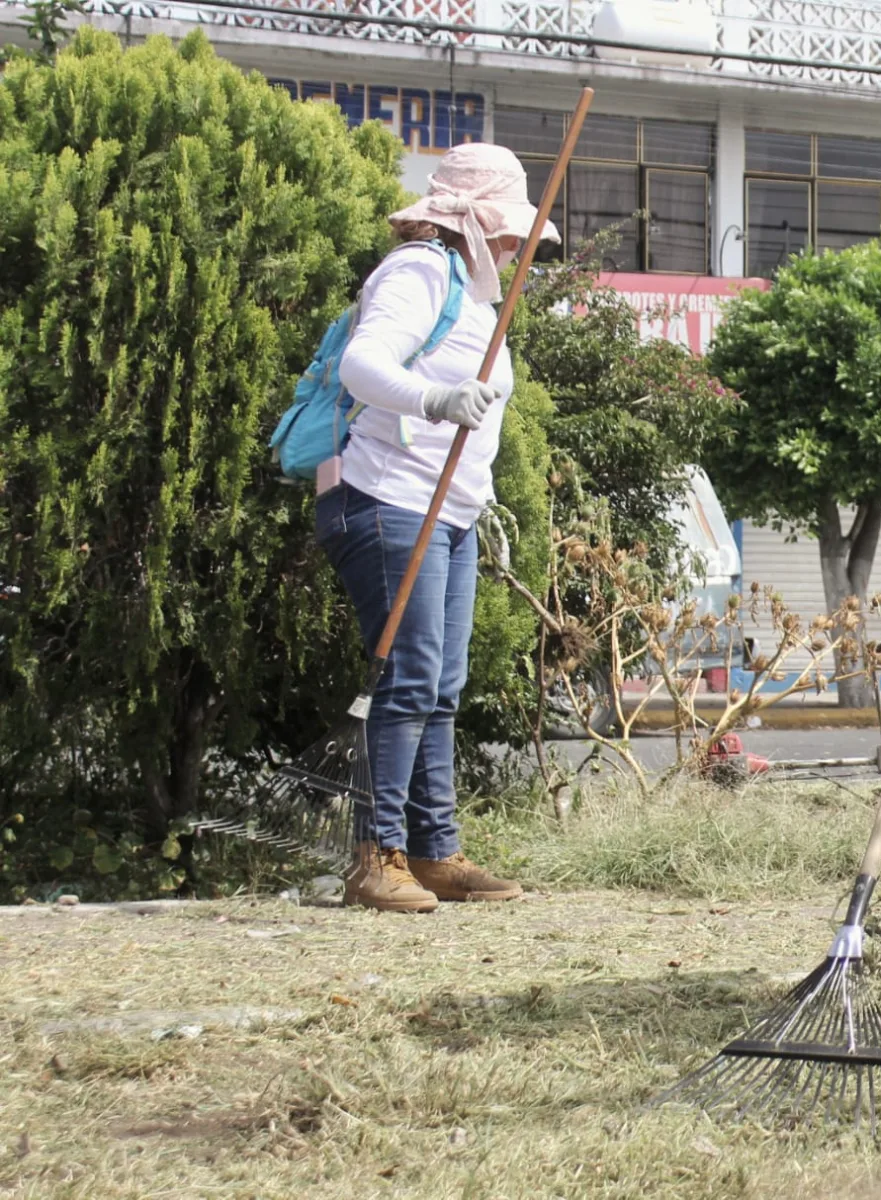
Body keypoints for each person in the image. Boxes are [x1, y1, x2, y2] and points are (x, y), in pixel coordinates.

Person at [318, 142, 558, 913]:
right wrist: (433, 401)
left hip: (449, 513)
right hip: (389, 502)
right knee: (409, 678)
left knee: (442, 686)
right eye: (509, 230)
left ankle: (433, 851)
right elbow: (364, 364)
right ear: (469, 221)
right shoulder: (419, 272)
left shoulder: (476, 291)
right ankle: (374, 855)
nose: (520, 245)